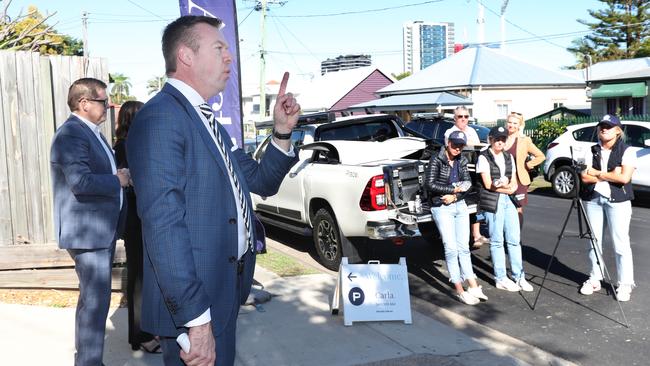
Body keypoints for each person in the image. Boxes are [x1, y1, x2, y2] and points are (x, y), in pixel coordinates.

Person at [127, 15, 300, 366]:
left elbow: (260, 181)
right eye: (219, 48)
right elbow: (163, 226)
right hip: (196, 306)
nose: (229, 57)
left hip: (223, 290)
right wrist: (196, 320)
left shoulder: (208, 123)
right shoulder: (162, 118)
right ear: (186, 56)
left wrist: (281, 132)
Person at [50, 77, 130, 366]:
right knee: (95, 304)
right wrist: (117, 179)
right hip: (89, 235)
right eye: (102, 101)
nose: (108, 106)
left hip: (100, 232)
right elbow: (80, 182)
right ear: (84, 103)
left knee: (93, 302)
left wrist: (114, 172)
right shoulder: (71, 134)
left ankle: (87, 360)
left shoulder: (91, 132)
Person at [113, 101, 162, 353]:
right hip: (134, 219)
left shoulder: (136, 143)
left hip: (144, 217)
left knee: (145, 275)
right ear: (134, 119)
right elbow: (127, 180)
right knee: (139, 277)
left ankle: (145, 330)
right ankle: (140, 334)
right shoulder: (123, 146)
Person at [426, 130, 488, 305]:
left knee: (464, 247)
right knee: (451, 248)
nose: (458, 149)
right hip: (440, 206)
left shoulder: (462, 160)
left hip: (458, 204)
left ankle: (473, 285)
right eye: (455, 145)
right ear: (448, 143)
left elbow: (468, 184)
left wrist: (455, 195)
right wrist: (453, 189)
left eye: (461, 146)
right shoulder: (436, 159)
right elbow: (430, 184)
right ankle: (459, 288)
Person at [579, 114, 636, 302]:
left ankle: (625, 283)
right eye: (602, 126)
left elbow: (624, 178)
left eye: (609, 127)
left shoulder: (627, 151)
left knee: (621, 244)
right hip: (594, 199)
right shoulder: (592, 150)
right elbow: (584, 177)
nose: (604, 129)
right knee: (593, 242)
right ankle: (595, 278)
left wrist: (597, 173)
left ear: (618, 130)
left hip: (618, 201)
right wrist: (609, 174)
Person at [476, 126, 533, 292]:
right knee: (497, 240)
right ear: (491, 139)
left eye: (503, 139)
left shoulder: (508, 156)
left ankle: (519, 275)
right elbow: (487, 184)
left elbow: (514, 179)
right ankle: (500, 277)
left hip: (509, 200)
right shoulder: (483, 157)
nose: (500, 142)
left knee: (514, 239)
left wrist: (511, 187)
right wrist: (507, 189)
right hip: (494, 201)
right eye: (497, 139)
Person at [444, 106, 488, 248]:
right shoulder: (449, 132)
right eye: (460, 117)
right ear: (454, 118)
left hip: (472, 170)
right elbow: (453, 151)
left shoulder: (472, 131)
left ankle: (476, 234)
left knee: (475, 202)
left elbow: (477, 149)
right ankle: (458, 237)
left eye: (466, 116)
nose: (464, 119)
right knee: (459, 202)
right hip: (456, 171)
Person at [503, 112, 545, 227]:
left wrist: (527, 165)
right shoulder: (501, 138)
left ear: (520, 125)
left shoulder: (524, 140)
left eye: (515, 123)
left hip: (519, 180)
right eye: (509, 122)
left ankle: (516, 240)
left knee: (517, 209)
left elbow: (541, 156)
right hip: (503, 180)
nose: (511, 125)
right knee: (503, 209)